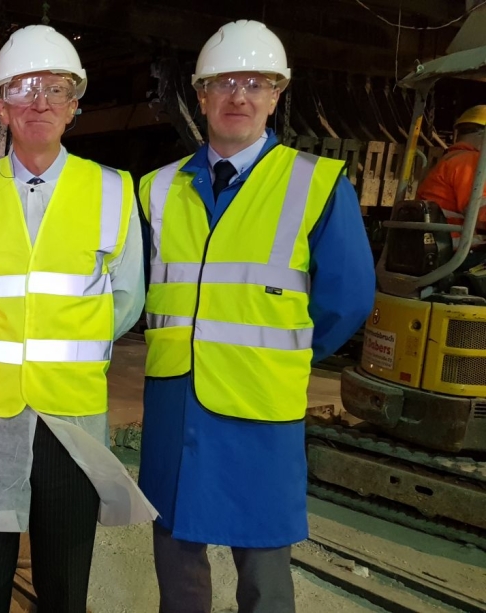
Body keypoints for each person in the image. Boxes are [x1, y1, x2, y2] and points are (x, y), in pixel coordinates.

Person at [137, 20, 375, 613]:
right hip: (177, 403)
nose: (238, 95)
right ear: (200, 95)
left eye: (255, 82)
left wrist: (283, 352)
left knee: (264, 572)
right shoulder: (157, 190)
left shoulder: (315, 183)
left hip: (260, 407)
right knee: (175, 557)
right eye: (223, 82)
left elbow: (347, 300)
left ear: (276, 94)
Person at [0, 24, 147, 613]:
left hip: (71, 422)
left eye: (56, 89)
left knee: (63, 589)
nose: (40, 103)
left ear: (75, 104)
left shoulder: (112, 191)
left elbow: (124, 301)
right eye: (24, 89)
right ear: (1, 105)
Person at [417, 105, 486, 249]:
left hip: (440, 243)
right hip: (454, 247)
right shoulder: (470, 161)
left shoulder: (452, 158)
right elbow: (478, 212)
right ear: (482, 135)